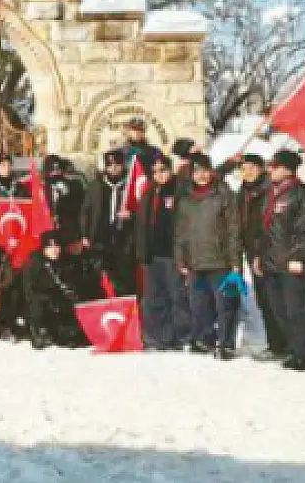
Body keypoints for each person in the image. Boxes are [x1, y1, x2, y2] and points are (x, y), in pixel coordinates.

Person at [174, 153, 242, 360]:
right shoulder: (185, 199)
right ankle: (205, 339)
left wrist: (235, 261)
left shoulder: (224, 194)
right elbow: (180, 233)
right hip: (195, 261)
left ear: (211, 172)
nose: (202, 175)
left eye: (205, 171)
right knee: (199, 305)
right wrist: (180, 258)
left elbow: (233, 230)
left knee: (225, 304)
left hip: (220, 260)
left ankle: (226, 344)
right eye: (197, 172)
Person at [259, 150, 305, 371]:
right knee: (278, 309)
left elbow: (303, 229)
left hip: (291, 261)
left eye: (275, 166)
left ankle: (303, 354)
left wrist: (298, 256)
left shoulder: (299, 194)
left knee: (296, 310)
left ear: (287, 169)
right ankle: (292, 347)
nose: (270, 170)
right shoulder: (271, 193)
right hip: (271, 259)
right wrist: (259, 255)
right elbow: (265, 228)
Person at [229, 153, 288, 362]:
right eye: (244, 169)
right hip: (251, 252)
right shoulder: (242, 192)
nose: (248, 172)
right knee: (264, 300)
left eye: (252, 168)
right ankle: (275, 344)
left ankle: (288, 344)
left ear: (262, 169)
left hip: (270, 251)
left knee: (277, 300)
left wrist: (262, 250)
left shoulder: (269, 190)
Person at [134, 155, 188, 350]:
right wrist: (142, 251)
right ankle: (159, 337)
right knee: (154, 298)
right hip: (153, 254)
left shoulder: (180, 190)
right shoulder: (149, 193)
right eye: (155, 172)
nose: (159, 175)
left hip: (173, 253)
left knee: (177, 297)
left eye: (163, 170)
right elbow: (142, 224)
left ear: (170, 170)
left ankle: (181, 336)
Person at [81, 150, 135, 296]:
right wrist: (85, 235)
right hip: (100, 239)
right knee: (100, 277)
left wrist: (131, 215)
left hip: (123, 239)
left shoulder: (130, 185)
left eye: (117, 164)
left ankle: (125, 301)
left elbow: (140, 211)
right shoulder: (96, 186)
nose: (114, 168)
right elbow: (86, 211)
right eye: (110, 165)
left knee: (124, 278)